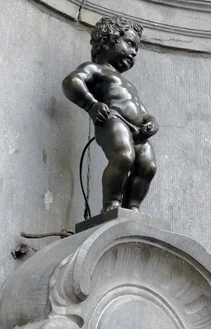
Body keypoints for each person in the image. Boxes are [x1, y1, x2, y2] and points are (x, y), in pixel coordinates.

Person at [62, 16, 158, 213]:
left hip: (138, 132)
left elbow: (142, 110)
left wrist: (151, 122)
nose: (134, 53)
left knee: (148, 166)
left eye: (136, 50)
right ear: (107, 40)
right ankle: (111, 204)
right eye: (130, 44)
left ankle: (132, 207)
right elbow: (71, 82)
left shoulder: (128, 84)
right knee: (123, 157)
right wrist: (91, 105)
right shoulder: (96, 69)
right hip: (112, 119)